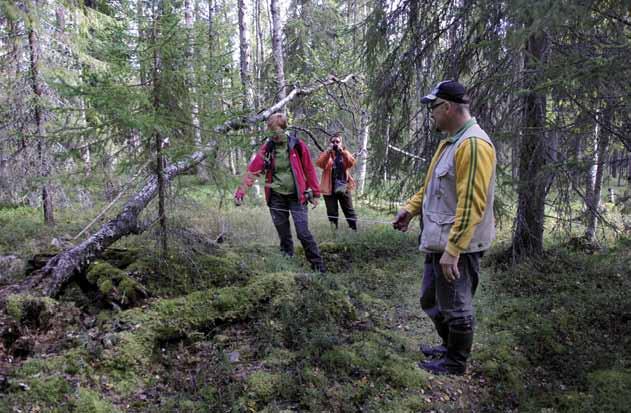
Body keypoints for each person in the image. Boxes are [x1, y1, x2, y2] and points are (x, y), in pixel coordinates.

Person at [392, 80, 496, 375]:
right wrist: (410, 209)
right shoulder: (451, 141)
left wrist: (453, 251)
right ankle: (449, 347)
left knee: (456, 307)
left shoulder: (473, 144)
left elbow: (472, 203)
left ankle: (455, 362)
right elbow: (431, 187)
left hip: (457, 245)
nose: (432, 114)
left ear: (448, 107)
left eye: (434, 108)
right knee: (430, 298)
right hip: (439, 238)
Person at [234, 113, 326, 272]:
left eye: (275, 130)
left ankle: (319, 268)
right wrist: (240, 192)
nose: (272, 134)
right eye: (270, 131)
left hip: (298, 196)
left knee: (303, 233)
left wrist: (315, 193)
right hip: (276, 197)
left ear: (284, 129)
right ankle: (287, 268)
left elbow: (309, 169)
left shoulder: (297, 145)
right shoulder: (268, 148)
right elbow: (253, 170)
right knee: (284, 236)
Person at [316, 132, 358, 230]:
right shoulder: (326, 153)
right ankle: (334, 233)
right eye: (333, 141)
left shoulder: (344, 153)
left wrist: (342, 151)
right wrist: (327, 152)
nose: (335, 143)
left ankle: (353, 230)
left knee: (349, 210)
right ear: (330, 143)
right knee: (332, 212)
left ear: (341, 142)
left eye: (337, 141)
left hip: (343, 186)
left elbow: (352, 162)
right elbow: (320, 164)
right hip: (329, 188)